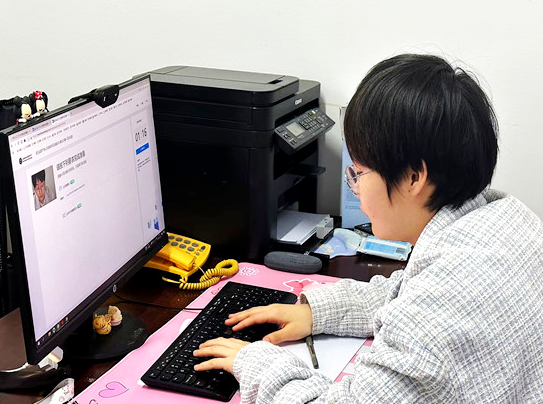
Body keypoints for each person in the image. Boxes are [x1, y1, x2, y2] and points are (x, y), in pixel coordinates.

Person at [193, 54, 543, 403]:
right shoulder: (506, 221)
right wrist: (317, 312)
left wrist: (257, 363)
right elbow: (407, 292)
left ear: (414, 177)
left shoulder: (437, 313)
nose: (355, 187)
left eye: (359, 172)